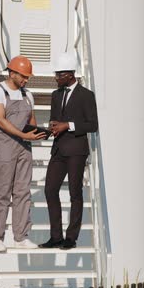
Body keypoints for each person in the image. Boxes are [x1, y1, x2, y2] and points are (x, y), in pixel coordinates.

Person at [39, 53, 99, 250]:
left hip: (76, 151)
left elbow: (93, 125)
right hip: (58, 150)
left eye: (59, 74)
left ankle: (71, 238)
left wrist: (68, 125)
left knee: (75, 193)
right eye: (56, 74)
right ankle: (55, 236)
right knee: (50, 190)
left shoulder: (86, 95)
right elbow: (55, 119)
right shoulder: (56, 95)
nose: (56, 78)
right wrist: (51, 127)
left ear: (71, 75)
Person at [0, 55, 46, 252]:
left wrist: (38, 133)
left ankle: (20, 236)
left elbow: (32, 119)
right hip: (4, 145)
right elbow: (1, 120)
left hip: (24, 147)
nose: (26, 80)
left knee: (22, 191)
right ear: (12, 73)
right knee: (2, 191)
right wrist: (23, 135)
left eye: (28, 77)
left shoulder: (28, 95)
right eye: (24, 76)